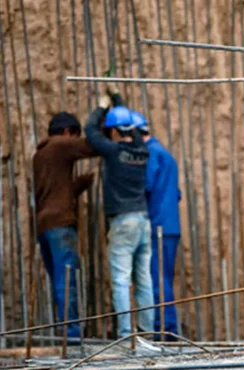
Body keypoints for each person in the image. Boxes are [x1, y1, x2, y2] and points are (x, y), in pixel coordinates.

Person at [84, 92, 154, 339]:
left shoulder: (113, 151)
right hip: (143, 220)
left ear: (113, 131)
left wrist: (102, 107)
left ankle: (126, 334)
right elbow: (131, 130)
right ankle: (146, 332)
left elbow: (90, 131)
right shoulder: (142, 150)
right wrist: (118, 98)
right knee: (144, 279)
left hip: (123, 222)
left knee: (122, 281)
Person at [33, 112, 96, 338]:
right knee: (66, 279)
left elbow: (55, 191)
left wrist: (80, 184)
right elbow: (91, 146)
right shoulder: (60, 145)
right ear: (68, 132)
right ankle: (71, 334)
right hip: (60, 224)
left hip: (43, 225)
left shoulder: (40, 154)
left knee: (58, 279)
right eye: (74, 136)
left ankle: (66, 331)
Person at [131, 110, 182, 340]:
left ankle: (166, 331)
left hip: (158, 226)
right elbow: (176, 193)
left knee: (157, 279)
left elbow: (145, 184)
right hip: (170, 225)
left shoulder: (151, 154)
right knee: (164, 278)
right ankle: (167, 329)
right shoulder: (166, 154)